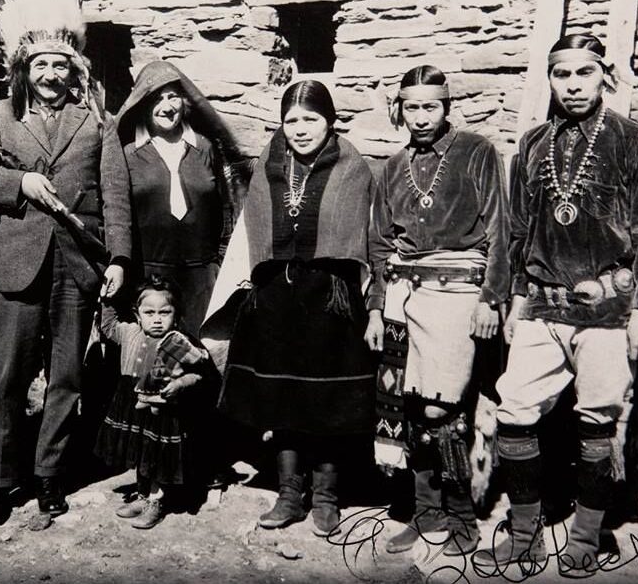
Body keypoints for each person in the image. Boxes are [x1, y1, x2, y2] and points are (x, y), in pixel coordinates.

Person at [472, 34, 638, 577]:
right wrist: (511, 299)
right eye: (563, 75)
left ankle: (586, 536)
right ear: (550, 79)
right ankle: (526, 535)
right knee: (514, 414)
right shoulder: (533, 144)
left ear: (602, 75)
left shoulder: (632, 139)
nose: (574, 84)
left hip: (607, 308)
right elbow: (514, 232)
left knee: (597, 421)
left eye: (584, 73)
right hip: (541, 306)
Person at [0, 0, 132, 529]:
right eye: (41, 65)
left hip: (77, 267)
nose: (51, 74)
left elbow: (115, 194)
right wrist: (19, 183)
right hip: (18, 263)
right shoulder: (0, 118)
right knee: (6, 378)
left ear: (74, 69)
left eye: (61, 64)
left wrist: (120, 260)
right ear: (24, 70)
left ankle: (51, 477)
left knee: (66, 377)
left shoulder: (95, 122)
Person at [209, 80, 376, 537]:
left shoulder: (352, 165)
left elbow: (364, 238)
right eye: (292, 120)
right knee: (282, 399)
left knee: (327, 402)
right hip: (277, 297)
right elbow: (251, 230)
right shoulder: (268, 164)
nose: (300, 129)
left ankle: (325, 497)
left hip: (331, 299)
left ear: (330, 121)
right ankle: (288, 493)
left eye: (311, 119)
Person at [365, 65, 509, 557]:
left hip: (457, 292)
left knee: (441, 409)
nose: (421, 117)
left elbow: (500, 231)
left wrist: (491, 297)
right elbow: (380, 247)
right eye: (412, 107)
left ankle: (461, 514)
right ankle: (424, 512)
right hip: (404, 293)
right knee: (407, 408)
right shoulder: (391, 167)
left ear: (447, 107)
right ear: (399, 109)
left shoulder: (477, 153)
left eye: (431, 106)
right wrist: (376, 310)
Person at [114, 60, 247, 335]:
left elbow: (225, 207)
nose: (166, 107)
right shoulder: (128, 154)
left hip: (202, 276)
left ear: (184, 102)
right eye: (156, 99)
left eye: (172, 96)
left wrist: (218, 264)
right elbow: (117, 212)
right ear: (142, 103)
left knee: (203, 352)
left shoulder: (204, 148)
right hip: (149, 277)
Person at [94, 275, 216, 529]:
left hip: (163, 409)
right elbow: (107, 326)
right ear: (138, 315)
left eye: (165, 312)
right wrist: (107, 298)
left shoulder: (178, 342)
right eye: (149, 312)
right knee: (139, 451)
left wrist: (179, 384)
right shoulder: (129, 332)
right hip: (131, 400)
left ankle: (156, 500)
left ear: (176, 314)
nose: (157, 319)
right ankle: (142, 493)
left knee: (155, 455)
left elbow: (199, 372)